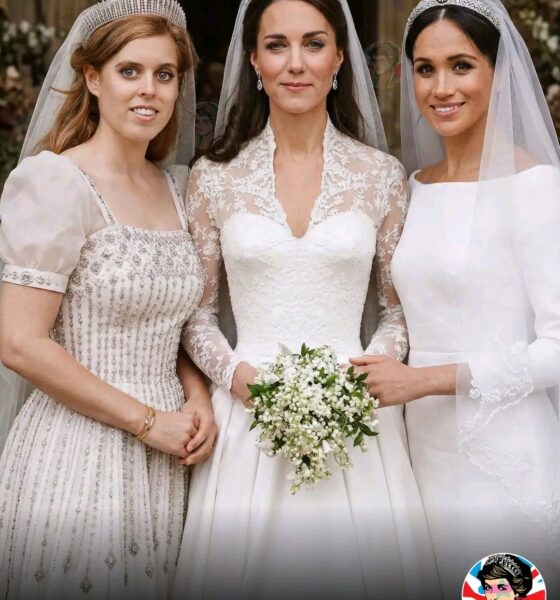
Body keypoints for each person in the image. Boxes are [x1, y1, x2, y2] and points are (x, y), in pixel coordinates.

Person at [173, 1, 442, 599]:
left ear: (339, 58)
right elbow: (197, 313)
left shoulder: (381, 176)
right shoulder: (213, 177)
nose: (296, 63)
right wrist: (238, 378)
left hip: (356, 416)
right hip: (246, 415)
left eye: (314, 44)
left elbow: (396, 311)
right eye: (277, 45)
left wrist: (366, 373)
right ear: (254, 60)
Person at [0, 1, 216, 598]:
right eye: (129, 71)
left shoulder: (177, 187)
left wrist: (197, 396)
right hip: (77, 450)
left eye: (164, 74)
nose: (149, 90)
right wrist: (145, 422)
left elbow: (174, 323)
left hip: (168, 458)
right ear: (92, 78)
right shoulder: (55, 183)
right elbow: (19, 343)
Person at [351, 0, 560, 597]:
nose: (441, 88)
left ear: (501, 71)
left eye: (461, 66)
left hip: (503, 455)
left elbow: (557, 349)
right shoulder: (416, 187)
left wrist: (423, 380)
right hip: (421, 450)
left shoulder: (535, 187)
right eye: (425, 69)